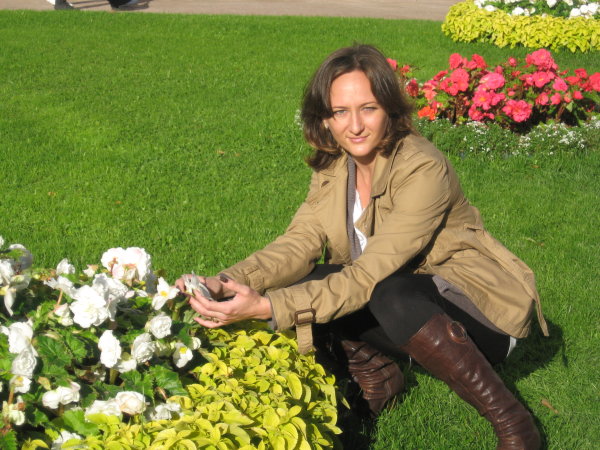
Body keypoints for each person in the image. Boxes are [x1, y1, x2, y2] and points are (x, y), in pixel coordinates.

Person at [177, 44, 548, 449]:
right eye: (340, 112)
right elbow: (298, 243)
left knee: (386, 292)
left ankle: (514, 423)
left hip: (480, 318)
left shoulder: (422, 167)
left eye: (368, 108)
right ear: (325, 117)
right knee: (305, 279)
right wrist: (225, 281)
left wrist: (269, 308)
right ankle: (378, 378)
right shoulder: (334, 164)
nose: (354, 126)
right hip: (401, 301)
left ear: (389, 108)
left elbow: (368, 275)